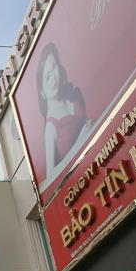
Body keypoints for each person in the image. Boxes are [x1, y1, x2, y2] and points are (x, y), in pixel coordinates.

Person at [37, 43, 93, 188]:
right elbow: (50, 176)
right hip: (81, 182)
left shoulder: (75, 96)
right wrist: (80, 141)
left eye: (54, 66)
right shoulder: (50, 126)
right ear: (42, 91)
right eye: (47, 77)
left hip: (101, 156)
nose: (53, 77)